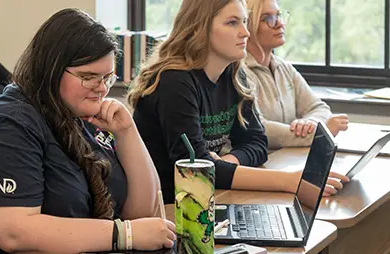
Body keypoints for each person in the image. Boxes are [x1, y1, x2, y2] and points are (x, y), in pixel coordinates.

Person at [0, 8, 175, 254]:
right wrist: (125, 235)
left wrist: (127, 133)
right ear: (50, 70)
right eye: (88, 77)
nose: (101, 89)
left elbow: (143, 215)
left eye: (107, 78)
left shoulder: (80, 114)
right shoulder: (3, 126)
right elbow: (15, 234)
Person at [126, 0, 350, 204]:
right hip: (168, 208)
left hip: (208, 197)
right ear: (199, 28)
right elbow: (196, 170)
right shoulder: (174, 82)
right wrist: (289, 181)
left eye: (244, 22)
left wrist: (226, 163)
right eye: (233, 23)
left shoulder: (233, 73)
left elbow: (257, 143)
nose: (245, 32)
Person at [244, 0, 348, 149]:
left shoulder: (284, 68)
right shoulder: (239, 72)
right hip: (259, 166)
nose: (280, 24)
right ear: (248, 27)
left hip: (287, 160)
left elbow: (319, 108)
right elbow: (259, 128)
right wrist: (318, 134)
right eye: (268, 18)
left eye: (278, 15)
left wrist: (310, 123)